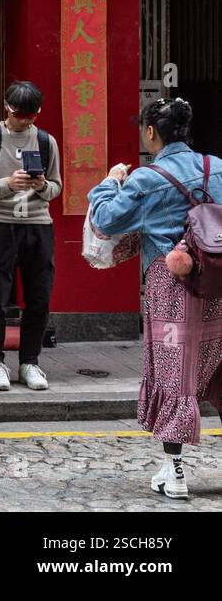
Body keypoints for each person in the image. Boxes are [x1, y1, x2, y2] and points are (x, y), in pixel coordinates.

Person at [87, 97, 222, 501]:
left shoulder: (147, 178)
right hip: (217, 284)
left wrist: (111, 182)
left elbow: (107, 219)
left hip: (171, 287)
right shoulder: (217, 168)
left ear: (150, 132)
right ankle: (170, 467)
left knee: (173, 373)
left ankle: (175, 469)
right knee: (217, 368)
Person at [0, 80, 62, 392]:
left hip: (38, 225)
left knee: (39, 297)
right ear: (7, 107)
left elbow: (57, 187)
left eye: (31, 116)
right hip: (1, 224)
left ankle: (29, 362)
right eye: (19, 114)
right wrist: (8, 183)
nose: (24, 120)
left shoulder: (46, 141)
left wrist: (41, 186)